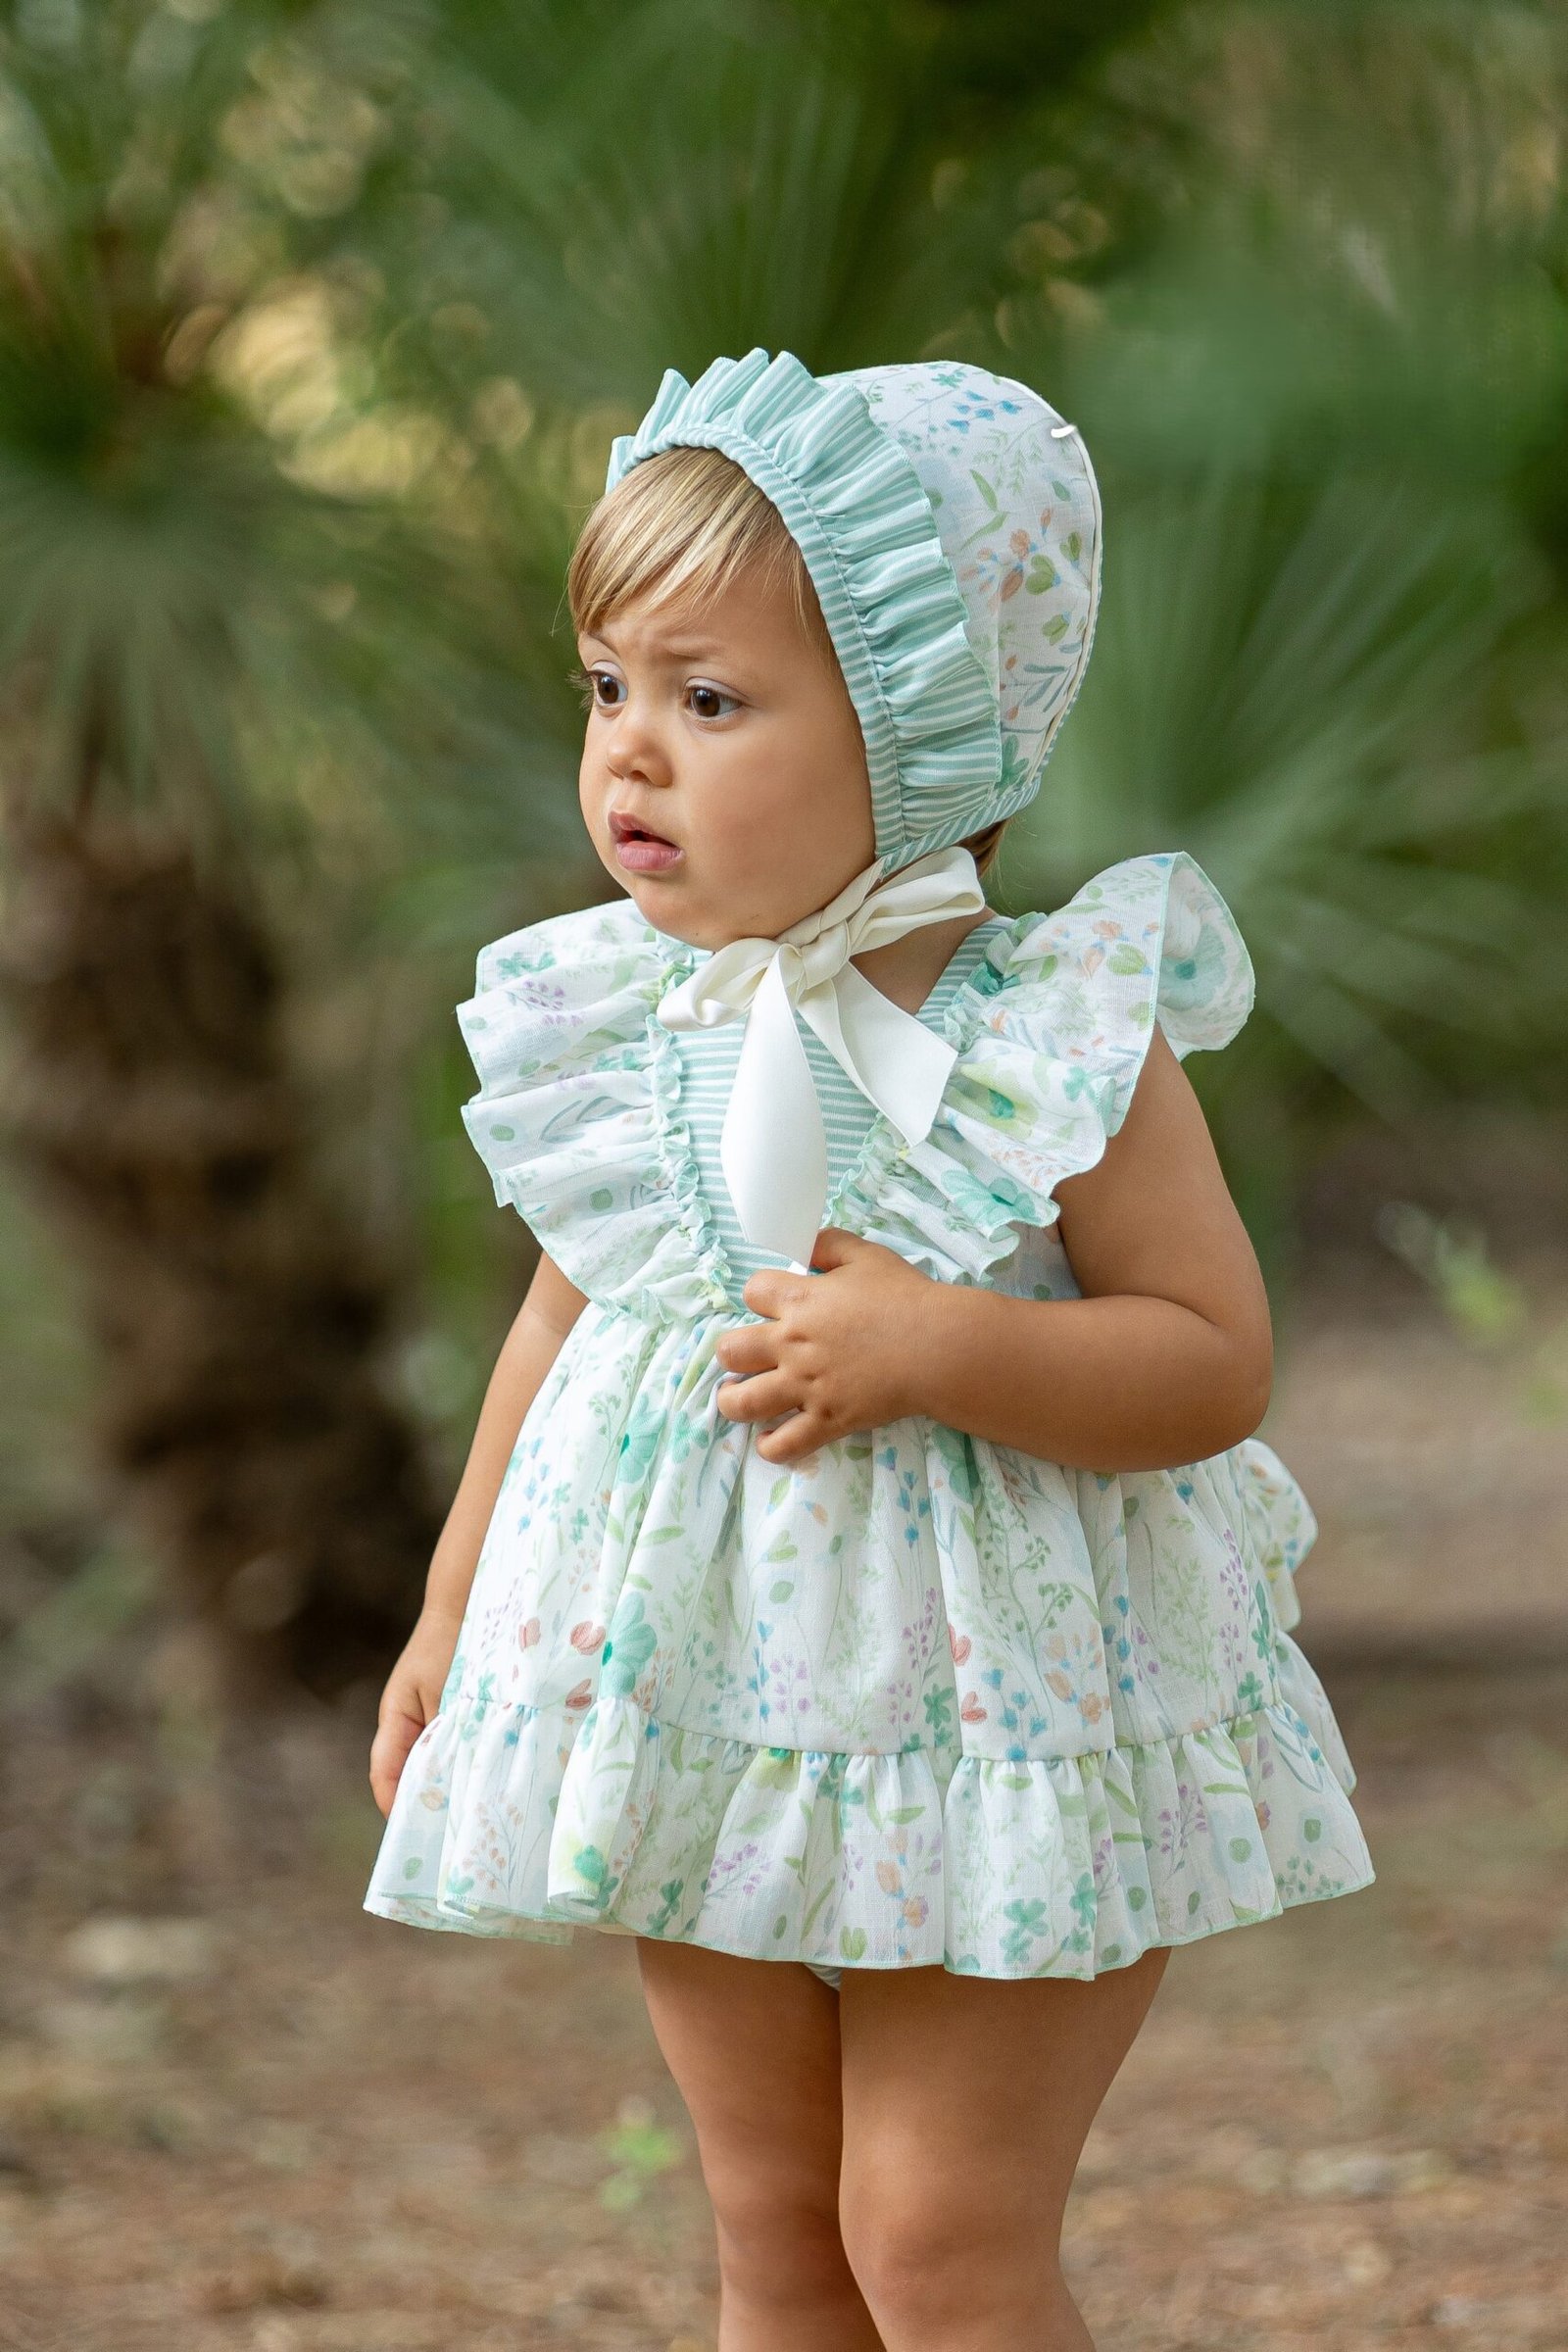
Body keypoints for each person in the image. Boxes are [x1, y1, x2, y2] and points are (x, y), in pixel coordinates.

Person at [364, 348, 1376, 2350]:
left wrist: (943, 1346)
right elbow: (566, 1316)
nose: (629, 755)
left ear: (925, 726)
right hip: (695, 1687)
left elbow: (1208, 1361)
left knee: (932, 2237)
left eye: (708, 700)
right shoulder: (637, 1020)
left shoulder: (1052, 1033)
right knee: (776, 2235)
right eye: (607, 689)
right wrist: (453, 1608)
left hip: (1002, 1723)